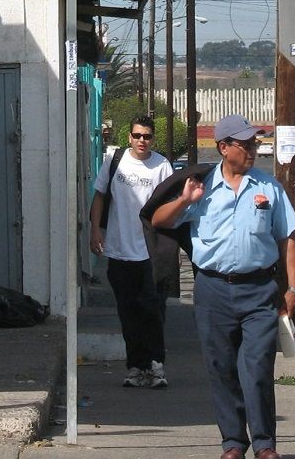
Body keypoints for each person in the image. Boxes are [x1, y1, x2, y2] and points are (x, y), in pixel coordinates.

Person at [151, 114, 295, 459]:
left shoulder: (268, 188)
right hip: (213, 291)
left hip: (259, 290)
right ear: (223, 148)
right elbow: (159, 220)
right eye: (245, 144)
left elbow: (288, 238)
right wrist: (185, 201)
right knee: (221, 368)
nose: (253, 149)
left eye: (255, 143)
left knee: (258, 368)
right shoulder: (201, 188)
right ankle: (233, 443)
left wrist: (294, 288)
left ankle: (264, 444)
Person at [88, 115, 174, 389]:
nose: (141, 141)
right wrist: (95, 230)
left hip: (150, 252)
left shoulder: (161, 166)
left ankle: (156, 366)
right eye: (137, 136)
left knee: (152, 311)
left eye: (147, 136)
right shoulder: (115, 162)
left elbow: (171, 205)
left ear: (153, 139)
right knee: (128, 312)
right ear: (129, 137)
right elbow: (99, 196)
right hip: (119, 250)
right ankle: (136, 367)